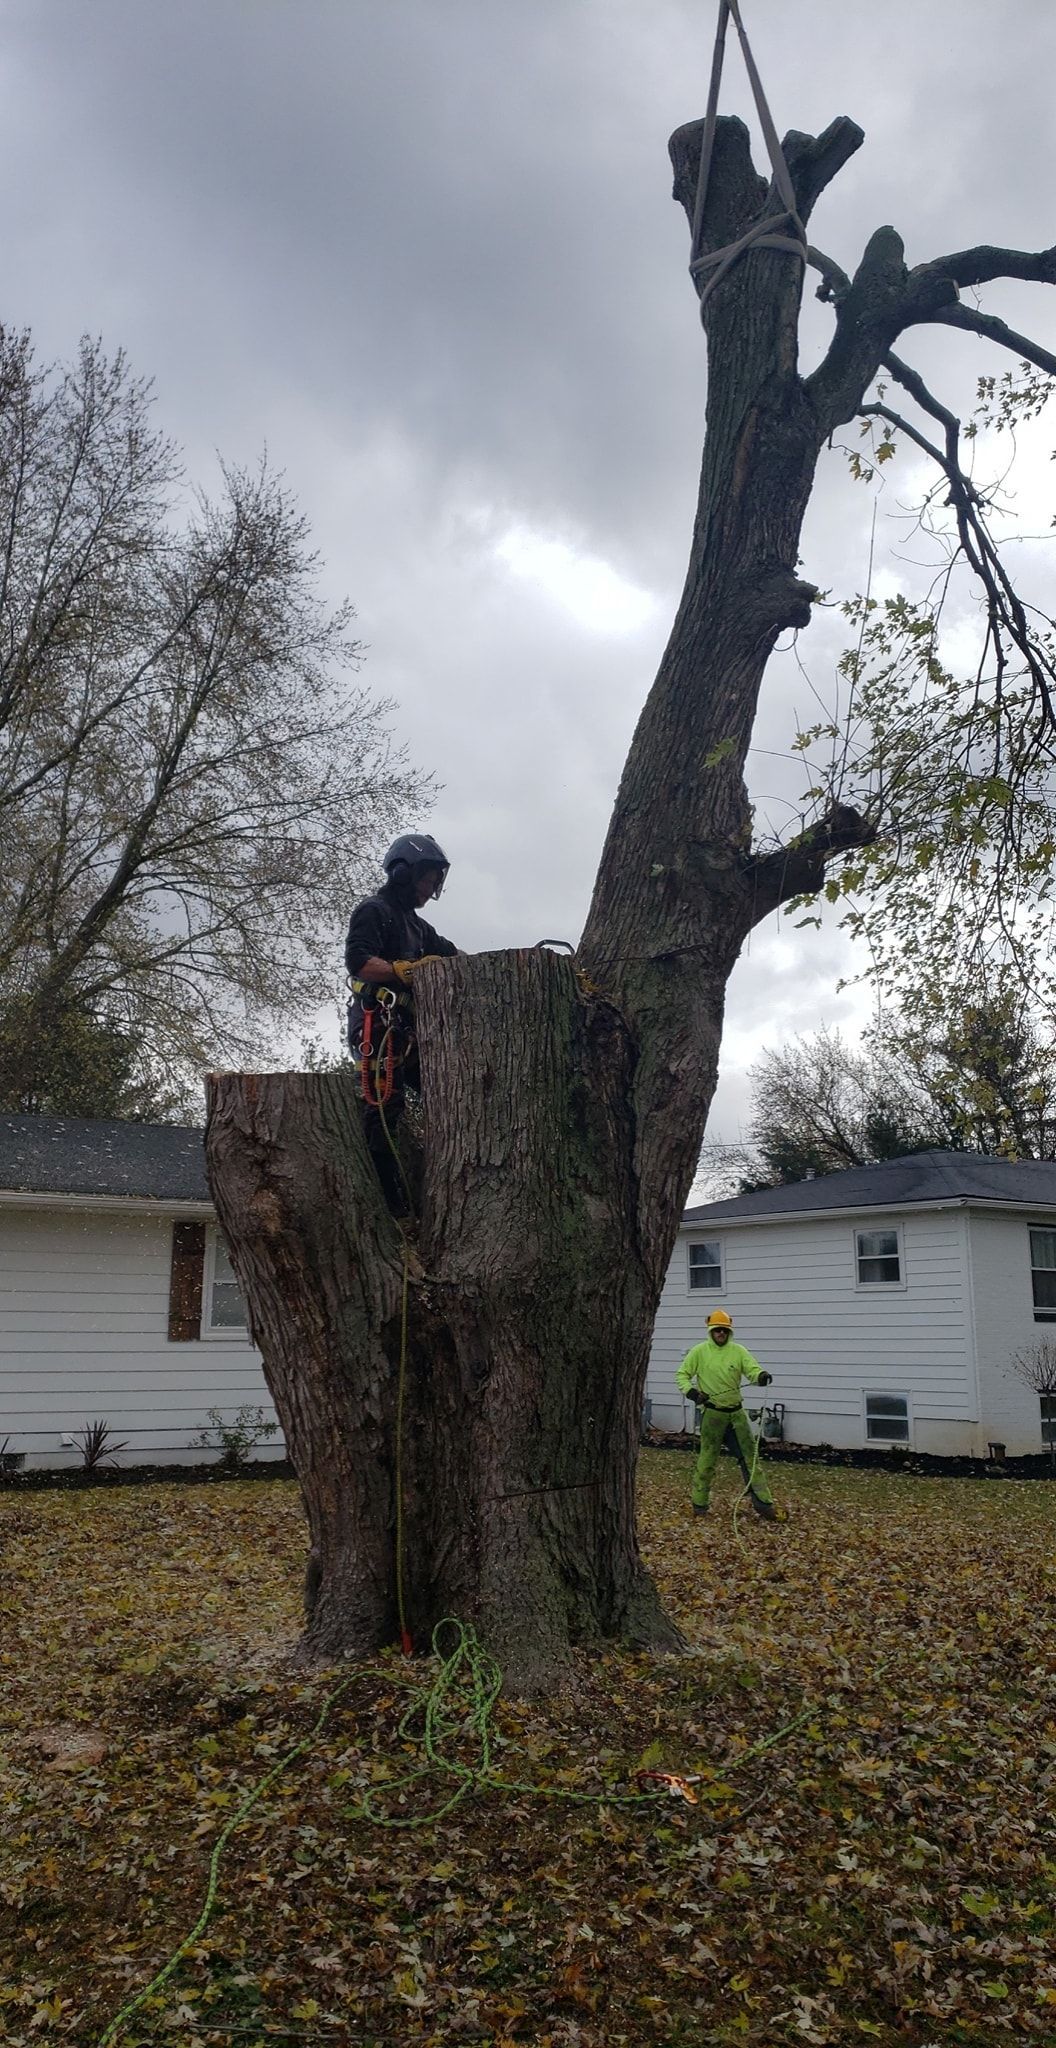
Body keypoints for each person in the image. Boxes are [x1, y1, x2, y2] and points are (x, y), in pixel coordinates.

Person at [345, 833, 458, 1211]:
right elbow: (359, 962)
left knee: (443, 1090)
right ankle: (388, 1202)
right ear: (404, 872)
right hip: (375, 1025)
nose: (431, 889)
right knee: (383, 1108)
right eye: (428, 880)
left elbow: (454, 954)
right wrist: (400, 970)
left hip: (408, 1031)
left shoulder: (418, 926)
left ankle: (429, 1175)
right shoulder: (374, 910)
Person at [676, 1308, 777, 1521]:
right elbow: (682, 1375)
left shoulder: (738, 1351)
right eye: (717, 1330)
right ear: (711, 1331)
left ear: (729, 1332)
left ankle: (764, 1504)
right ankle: (699, 1506)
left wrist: (761, 1376)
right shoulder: (699, 1352)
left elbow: (752, 1369)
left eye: (724, 1330)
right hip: (712, 1415)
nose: (721, 1333)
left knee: (750, 1459)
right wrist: (692, 1392)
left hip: (736, 1415)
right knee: (706, 1461)